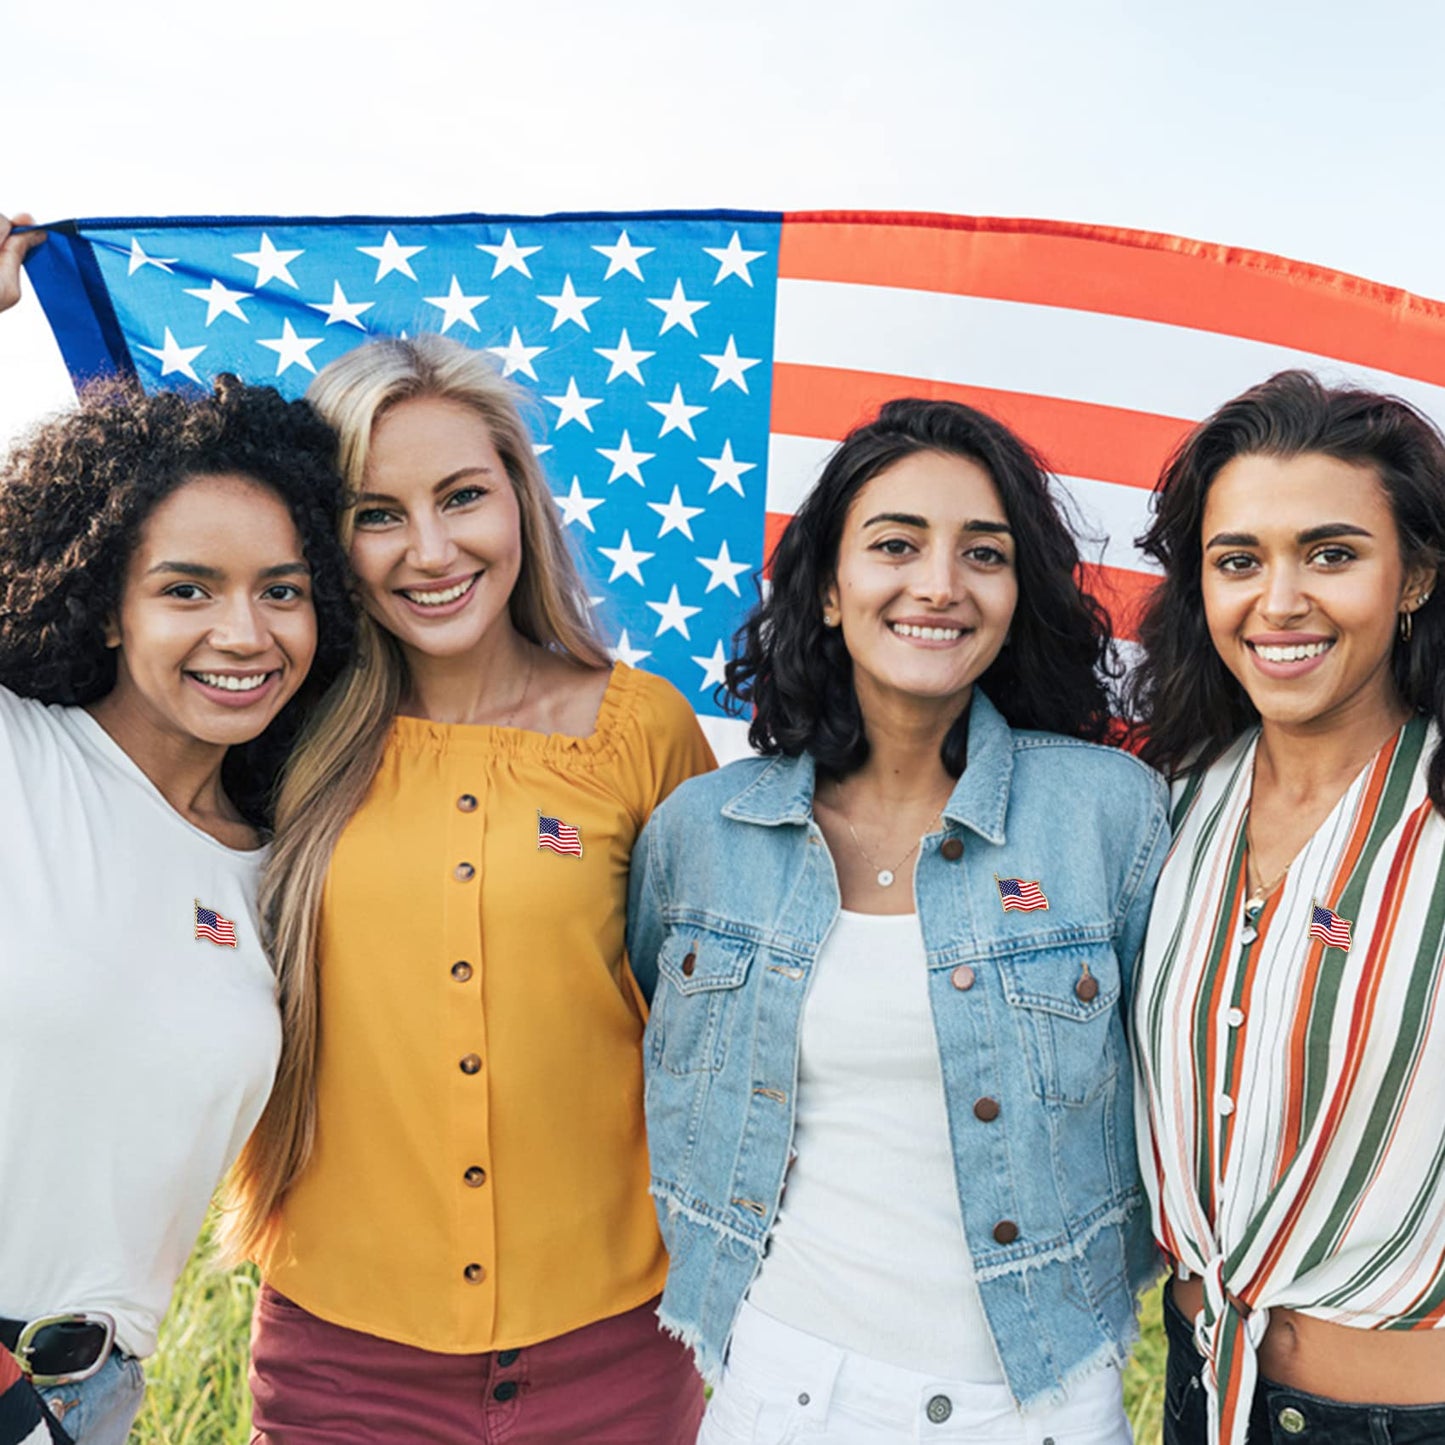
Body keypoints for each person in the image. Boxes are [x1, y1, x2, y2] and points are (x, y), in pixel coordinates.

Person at [627, 397, 1170, 1443]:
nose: (938, 583)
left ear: (1016, 593)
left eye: (983, 553)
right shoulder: (703, 832)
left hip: (1040, 1402)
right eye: (894, 544)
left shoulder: (1108, 813)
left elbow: (1178, 1086)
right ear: (828, 589)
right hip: (779, 1390)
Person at [221, 334, 714, 1444]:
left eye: (461, 497)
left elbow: (719, 1027)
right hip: (343, 1361)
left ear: (520, 505)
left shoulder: (644, 728)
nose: (429, 549)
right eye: (377, 511)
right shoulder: (270, 731)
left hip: (620, 1347)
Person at [0, 364, 353, 1445]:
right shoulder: (19, 752)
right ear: (108, 606)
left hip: (94, 1396)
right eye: (188, 588)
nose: (244, 633)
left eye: (281, 589)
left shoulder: (289, 866)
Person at [1128, 370, 1445, 1445]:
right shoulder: (1161, 808)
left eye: (1330, 553)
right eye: (1236, 561)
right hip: (1194, 1392)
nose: (1277, 601)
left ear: (1414, 578)